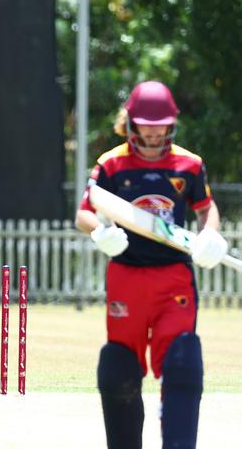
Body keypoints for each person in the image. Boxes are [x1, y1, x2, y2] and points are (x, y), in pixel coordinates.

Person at [75, 81, 228, 449]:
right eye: (146, 123)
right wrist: (99, 233)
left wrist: (210, 234)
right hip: (126, 277)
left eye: (161, 123)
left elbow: (206, 208)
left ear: (172, 123)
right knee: (119, 369)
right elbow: (84, 212)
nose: (154, 130)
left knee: (182, 365)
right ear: (130, 121)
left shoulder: (188, 165)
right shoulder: (111, 163)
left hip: (174, 279)